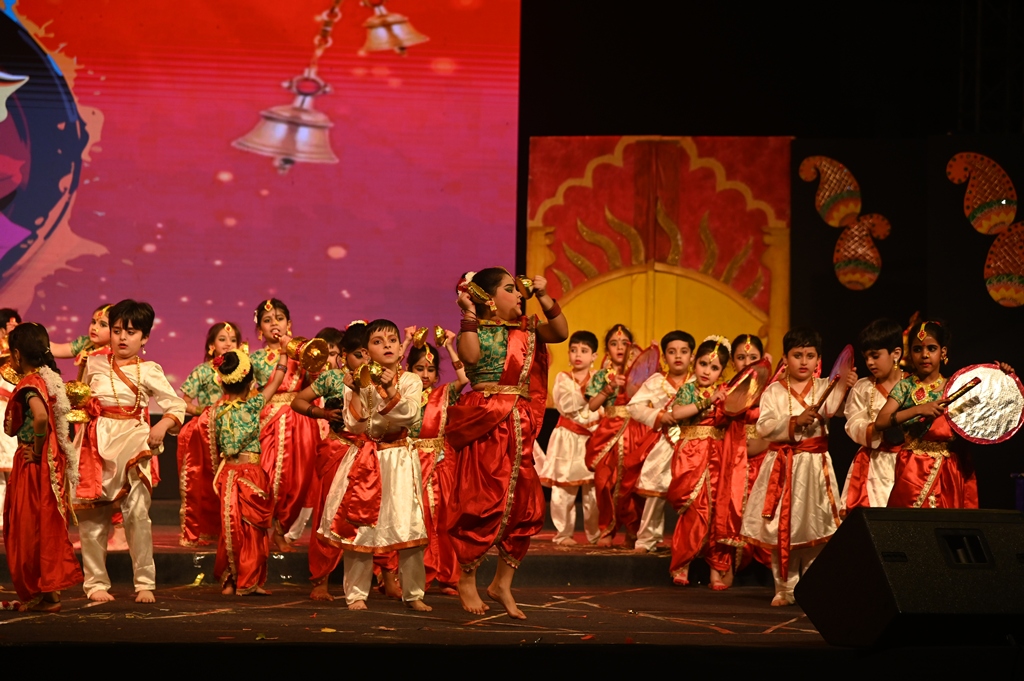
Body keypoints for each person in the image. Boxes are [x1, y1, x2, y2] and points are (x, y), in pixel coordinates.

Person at [448, 268, 567, 619]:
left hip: (519, 423)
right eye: (509, 289)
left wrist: (544, 296)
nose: (518, 295)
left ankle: (502, 583)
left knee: (524, 505)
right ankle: (467, 577)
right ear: (488, 298)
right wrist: (469, 314)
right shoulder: (475, 330)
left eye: (518, 290)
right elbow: (470, 357)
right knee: (482, 501)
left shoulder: (528, 329)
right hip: (486, 422)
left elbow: (560, 332)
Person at [73, 299, 186, 603]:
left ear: (144, 338)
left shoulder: (148, 370)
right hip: (96, 445)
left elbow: (175, 404)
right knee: (93, 518)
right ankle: (95, 583)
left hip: (134, 443)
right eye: (117, 330)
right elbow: (81, 402)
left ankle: (144, 582)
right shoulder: (93, 363)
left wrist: (162, 426)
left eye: (131, 332)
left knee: (137, 515)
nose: (122, 337)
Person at [740, 327, 856, 606]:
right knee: (783, 528)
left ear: (818, 359)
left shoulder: (826, 386)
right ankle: (785, 588)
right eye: (797, 355)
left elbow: (841, 411)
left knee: (816, 527)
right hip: (782, 467)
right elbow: (764, 426)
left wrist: (847, 387)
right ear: (785, 358)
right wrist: (794, 422)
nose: (804, 362)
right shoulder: (774, 391)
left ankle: (812, 588)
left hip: (815, 468)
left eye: (810, 356)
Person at [875, 321, 1012, 509]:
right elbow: (880, 421)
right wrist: (918, 409)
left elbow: (991, 405)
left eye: (931, 348)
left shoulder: (955, 387)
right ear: (910, 354)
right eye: (917, 349)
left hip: (949, 470)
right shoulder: (906, 386)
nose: (924, 355)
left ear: (943, 352)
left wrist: (1002, 377)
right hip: (913, 468)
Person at [291, 322, 373, 602]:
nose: (365, 360)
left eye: (368, 354)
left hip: (370, 453)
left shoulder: (378, 379)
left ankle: (387, 577)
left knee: (372, 513)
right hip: (338, 449)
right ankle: (321, 580)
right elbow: (298, 401)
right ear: (344, 356)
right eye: (358, 355)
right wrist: (322, 414)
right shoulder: (331, 378)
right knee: (328, 511)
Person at [2, 322, 82, 612]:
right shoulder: (47, 378)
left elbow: (40, 417)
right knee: (42, 523)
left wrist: (35, 451)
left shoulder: (30, 384)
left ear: (17, 354)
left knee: (28, 526)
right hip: (47, 465)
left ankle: (46, 592)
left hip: (33, 465)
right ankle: (49, 594)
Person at [208, 348, 286, 595]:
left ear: (222, 382)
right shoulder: (253, 405)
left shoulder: (215, 412)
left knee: (231, 528)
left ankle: (230, 581)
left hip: (228, 473)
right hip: (250, 474)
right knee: (252, 529)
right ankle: (248, 581)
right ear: (251, 382)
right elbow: (277, 381)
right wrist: (284, 355)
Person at [249, 299, 320, 553]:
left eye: (279, 319)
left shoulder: (302, 353)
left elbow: (315, 382)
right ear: (260, 329)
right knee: (266, 476)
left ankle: (280, 531)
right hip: (267, 419)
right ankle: (261, 530)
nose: (274, 324)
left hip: (299, 422)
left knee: (296, 480)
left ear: (288, 323)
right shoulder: (254, 358)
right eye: (267, 320)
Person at [665, 336, 729, 587]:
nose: (707, 371)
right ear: (695, 364)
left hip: (718, 454)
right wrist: (707, 402)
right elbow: (677, 413)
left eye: (714, 367)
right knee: (693, 509)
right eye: (703, 364)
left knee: (717, 511)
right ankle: (682, 564)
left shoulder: (726, 392)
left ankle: (716, 569)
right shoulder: (688, 390)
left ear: (722, 371)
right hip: (691, 454)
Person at [407, 331, 467, 594]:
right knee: (415, 519)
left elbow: (463, 379)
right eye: (419, 368)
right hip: (410, 463)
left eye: (430, 370)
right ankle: (414, 576)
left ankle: (447, 575)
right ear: (409, 370)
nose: (424, 374)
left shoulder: (443, 394)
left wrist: (450, 346)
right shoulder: (401, 393)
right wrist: (405, 343)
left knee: (443, 520)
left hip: (441, 465)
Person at [628, 330, 695, 553]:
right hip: (663, 443)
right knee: (654, 491)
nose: (678, 356)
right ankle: (647, 539)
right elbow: (634, 407)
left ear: (692, 356)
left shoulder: (698, 381)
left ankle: (691, 541)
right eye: (672, 352)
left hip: (691, 446)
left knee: (693, 494)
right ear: (664, 357)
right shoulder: (656, 381)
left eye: (684, 351)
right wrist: (658, 415)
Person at [584, 324, 650, 548]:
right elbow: (593, 406)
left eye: (624, 343)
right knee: (603, 481)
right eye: (614, 343)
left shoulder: (641, 376)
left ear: (632, 348)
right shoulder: (601, 376)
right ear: (607, 349)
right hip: (608, 432)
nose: (620, 347)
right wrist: (609, 387)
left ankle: (633, 530)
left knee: (632, 483)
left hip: (635, 431)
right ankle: (607, 529)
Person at [177, 321, 241, 547]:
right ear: (211, 346)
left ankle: (232, 529)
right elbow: (183, 402)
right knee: (205, 482)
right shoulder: (203, 371)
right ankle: (204, 530)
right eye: (222, 339)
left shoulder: (242, 372)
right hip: (206, 433)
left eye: (233, 340)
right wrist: (202, 412)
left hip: (235, 432)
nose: (228, 344)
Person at [716, 334, 772, 574]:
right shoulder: (724, 390)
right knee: (732, 513)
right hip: (733, 464)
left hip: (764, 464)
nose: (747, 362)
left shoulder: (772, 391)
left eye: (753, 357)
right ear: (732, 362)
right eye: (741, 357)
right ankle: (726, 565)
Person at [543, 330, 601, 546]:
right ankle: (563, 533)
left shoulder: (599, 377)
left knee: (593, 491)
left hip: (593, 438)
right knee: (564, 489)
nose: (578, 354)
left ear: (594, 356)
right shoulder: (563, 378)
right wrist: (592, 388)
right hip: (568, 438)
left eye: (584, 351)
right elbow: (567, 405)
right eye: (574, 350)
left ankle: (595, 534)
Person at [840, 319, 904, 513]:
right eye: (866, 357)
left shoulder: (913, 384)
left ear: (896, 354)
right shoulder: (863, 387)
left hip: (909, 463)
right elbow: (853, 423)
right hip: (874, 464)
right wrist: (876, 428)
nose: (869, 362)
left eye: (875, 356)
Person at [0, 308, 22, 530]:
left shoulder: (19, 354)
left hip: (10, 411)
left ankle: (12, 517)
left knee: (12, 469)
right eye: (10, 325)